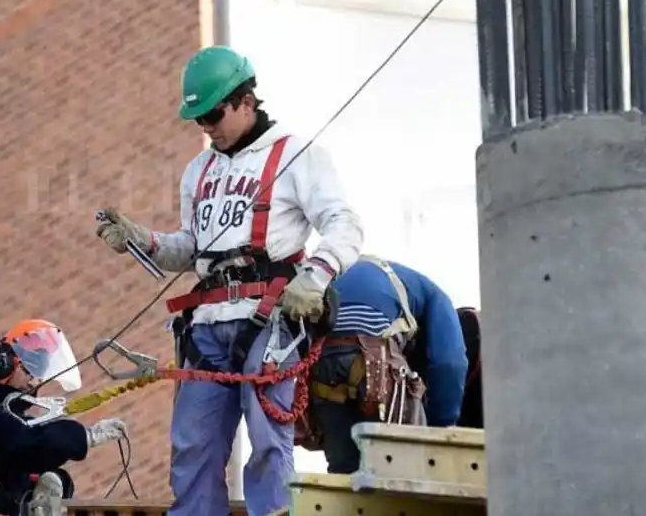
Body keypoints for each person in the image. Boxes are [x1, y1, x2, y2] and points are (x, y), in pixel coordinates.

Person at [96, 45, 364, 516]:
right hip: (206, 326)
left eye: (213, 114)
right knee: (193, 447)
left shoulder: (296, 155)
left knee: (267, 443)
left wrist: (315, 277)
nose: (206, 127)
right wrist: (144, 240)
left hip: (268, 321)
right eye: (198, 119)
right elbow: (194, 248)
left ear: (245, 100)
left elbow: (344, 224)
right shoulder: (199, 171)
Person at [0, 319, 128, 516]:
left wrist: (57, 482)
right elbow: (25, 446)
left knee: (54, 477)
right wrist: (84, 436)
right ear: (5, 364)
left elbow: (22, 469)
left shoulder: (15, 422)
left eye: (40, 373)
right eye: (31, 368)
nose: (35, 380)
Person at [299, 256, 469, 474]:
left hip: (323, 362)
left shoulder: (341, 276)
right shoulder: (436, 296)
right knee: (407, 466)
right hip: (376, 359)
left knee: (344, 472)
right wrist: (442, 424)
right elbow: (449, 363)